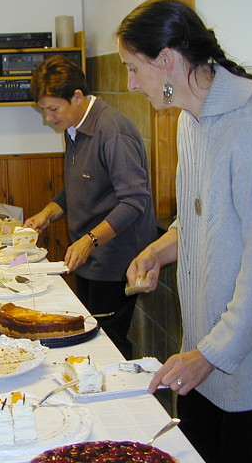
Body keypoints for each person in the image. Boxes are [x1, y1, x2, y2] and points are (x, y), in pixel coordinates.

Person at [118, 0, 252, 463]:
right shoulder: (192, 121)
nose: (131, 83)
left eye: (134, 68)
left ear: (167, 60)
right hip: (209, 349)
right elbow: (200, 219)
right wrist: (157, 251)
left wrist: (208, 354)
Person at [24, 54, 156, 359]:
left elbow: (135, 200)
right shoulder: (74, 128)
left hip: (115, 260)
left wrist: (90, 240)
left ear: (78, 97)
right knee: (90, 339)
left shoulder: (113, 131)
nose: (49, 119)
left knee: (107, 344)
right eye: (44, 111)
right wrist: (48, 213)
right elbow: (80, 186)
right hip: (88, 256)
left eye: (53, 110)